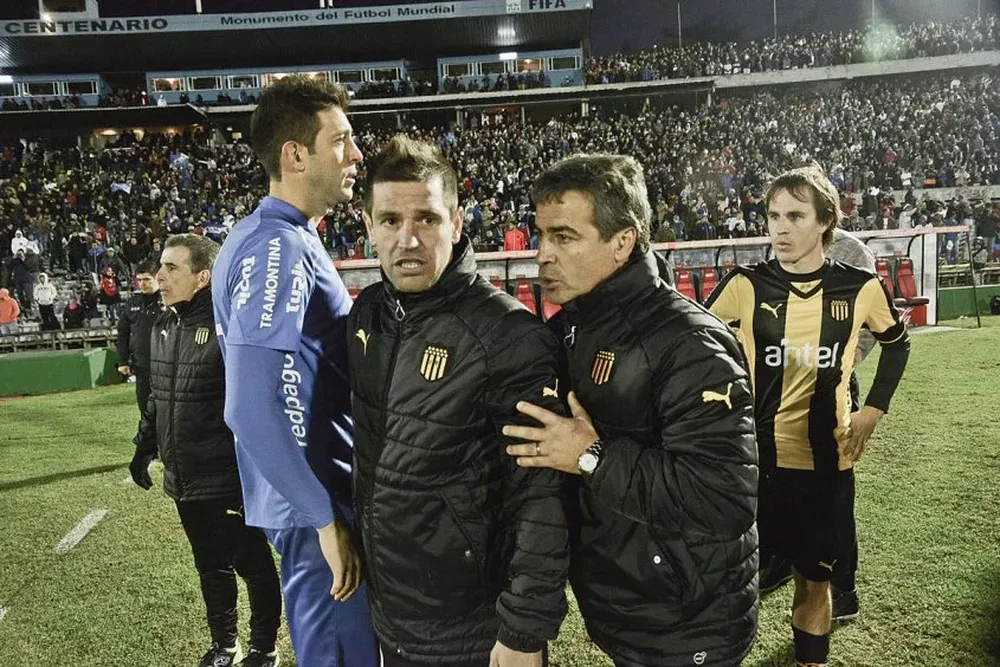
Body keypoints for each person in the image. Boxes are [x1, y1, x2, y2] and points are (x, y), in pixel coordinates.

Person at [505, 154, 759, 667]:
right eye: (540, 235)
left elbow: (724, 501)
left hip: (689, 622)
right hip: (629, 607)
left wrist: (591, 456)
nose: (542, 256)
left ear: (623, 241)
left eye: (565, 237)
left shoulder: (690, 343)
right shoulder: (575, 328)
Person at [347, 135, 569, 667]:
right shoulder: (367, 316)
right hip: (392, 617)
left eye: (427, 218)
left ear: (458, 222)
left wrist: (523, 629)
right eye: (390, 221)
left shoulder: (507, 334)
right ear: (368, 228)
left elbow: (542, 495)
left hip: (476, 628)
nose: (409, 239)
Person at [706, 164, 910, 667]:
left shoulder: (860, 286)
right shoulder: (744, 285)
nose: (780, 227)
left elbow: (897, 345)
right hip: (751, 463)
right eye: (773, 215)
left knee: (814, 585)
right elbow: (694, 343)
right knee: (725, 584)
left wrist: (872, 411)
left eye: (795, 216)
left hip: (824, 466)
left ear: (824, 222)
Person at [211, 75, 379, 667]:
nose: (356, 154)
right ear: (295, 154)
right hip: (316, 503)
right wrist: (323, 519)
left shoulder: (273, 237)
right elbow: (249, 406)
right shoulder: (276, 248)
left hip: (313, 499)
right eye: (341, 140)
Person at [131, 234, 283, 667]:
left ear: (203, 277)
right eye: (161, 266)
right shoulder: (160, 325)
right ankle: (225, 646)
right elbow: (159, 397)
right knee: (209, 565)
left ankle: (263, 648)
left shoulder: (229, 324)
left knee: (251, 563)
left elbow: (257, 401)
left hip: (227, 476)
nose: (159, 276)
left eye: (171, 268)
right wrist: (144, 447)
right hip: (183, 476)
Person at [759, 226, 877, 623]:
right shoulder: (777, 246)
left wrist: (833, 368)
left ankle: (843, 587)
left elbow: (871, 326)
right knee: (778, 479)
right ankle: (780, 560)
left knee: (831, 492)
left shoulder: (852, 252)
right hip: (780, 387)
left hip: (831, 389)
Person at [116, 258, 163, 437]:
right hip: (142, 366)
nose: (142, 284)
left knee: (168, 410)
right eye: (139, 280)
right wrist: (123, 360)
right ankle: (150, 451)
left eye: (147, 279)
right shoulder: (132, 303)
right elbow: (122, 334)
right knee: (145, 409)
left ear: (157, 278)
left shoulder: (168, 301)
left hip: (166, 365)